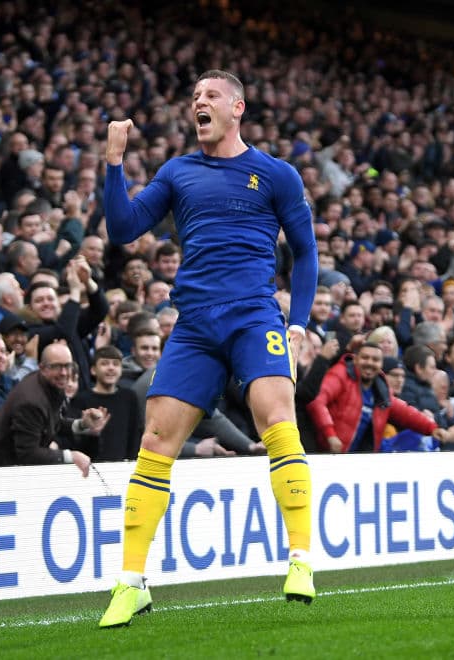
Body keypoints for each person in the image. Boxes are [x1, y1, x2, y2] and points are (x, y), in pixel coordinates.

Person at [99, 70, 320, 627]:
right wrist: (112, 162)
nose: (199, 101)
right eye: (194, 96)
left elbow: (306, 254)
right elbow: (123, 228)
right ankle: (130, 583)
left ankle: (300, 559)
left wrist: (297, 324)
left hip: (253, 317)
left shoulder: (275, 174)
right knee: (155, 440)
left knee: (277, 418)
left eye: (210, 95)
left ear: (238, 107)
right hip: (194, 324)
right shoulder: (177, 172)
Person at [306, 341, 454, 453]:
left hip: (357, 460)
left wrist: (433, 428)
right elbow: (317, 401)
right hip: (326, 456)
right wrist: (330, 435)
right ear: (356, 359)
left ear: (381, 364)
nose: (370, 363)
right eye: (365, 358)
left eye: (375, 360)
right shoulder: (341, 374)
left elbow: (406, 413)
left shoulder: (380, 389)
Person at [0, 342, 106, 469]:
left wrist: (82, 424)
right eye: (56, 366)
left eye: (67, 365)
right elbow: (28, 453)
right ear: (42, 368)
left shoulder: (51, 383)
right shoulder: (31, 400)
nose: (64, 372)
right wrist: (71, 456)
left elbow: (50, 422)